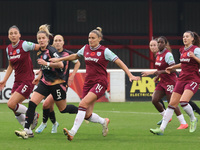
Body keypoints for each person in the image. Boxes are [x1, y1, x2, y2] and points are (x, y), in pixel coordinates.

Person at [50, 27, 141, 141]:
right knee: (87, 114)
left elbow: (119, 62)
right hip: (88, 83)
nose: (90, 40)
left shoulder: (105, 51)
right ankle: (104, 121)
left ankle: (72, 132)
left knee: (82, 104)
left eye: (93, 38)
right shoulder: (86, 48)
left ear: (99, 39)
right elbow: (75, 56)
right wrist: (59, 60)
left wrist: (130, 75)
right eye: (89, 38)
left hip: (100, 83)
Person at [14, 24, 78, 139]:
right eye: (39, 39)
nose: (41, 40)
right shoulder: (39, 51)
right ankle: (27, 130)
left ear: (48, 39)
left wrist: (47, 63)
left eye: (43, 38)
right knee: (32, 103)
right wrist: (39, 75)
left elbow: (60, 64)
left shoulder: (51, 50)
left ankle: (81, 112)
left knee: (63, 109)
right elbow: (44, 67)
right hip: (45, 82)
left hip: (57, 84)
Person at [150, 31, 200, 135]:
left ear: (192, 39)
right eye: (183, 36)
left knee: (183, 102)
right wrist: (172, 67)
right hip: (181, 79)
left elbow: (195, 61)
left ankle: (193, 119)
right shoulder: (182, 50)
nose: (184, 38)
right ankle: (161, 129)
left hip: (193, 79)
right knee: (171, 104)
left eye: (187, 37)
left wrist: (194, 57)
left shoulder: (196, 50)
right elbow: (183, 64)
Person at [35, 34, 80, 134]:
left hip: (61, 84)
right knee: (49, 106)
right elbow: (46, 65)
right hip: (48, 83)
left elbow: (77, 63)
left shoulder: (67, 54)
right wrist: (40, 74)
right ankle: (54, 124)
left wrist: (72, 76)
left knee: (47, 105)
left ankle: (81, 112)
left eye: (60, 40)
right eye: (56, 40)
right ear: (53, 42)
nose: (58, 42)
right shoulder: (50, 52)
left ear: (63, 42)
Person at [142, 37, 188, 129]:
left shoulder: (168, 55)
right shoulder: (158, 54)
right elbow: (160, 69)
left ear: (165, 44)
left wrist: (160, 73)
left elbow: (173, 69)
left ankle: (183, 123)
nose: (159, 44)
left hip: (170, 81)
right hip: (162, 81)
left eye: (161, 42)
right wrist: (157, 76)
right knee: (155, 100)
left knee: (172, 103)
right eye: (158, 42)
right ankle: (166, 116)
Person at [0, 25, 40, 130]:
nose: (13, 35)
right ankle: (28, 130)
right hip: (17, 81)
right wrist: (4, 80)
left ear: (19, 35)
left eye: (15, 33)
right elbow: (11, 66)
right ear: (8, 36)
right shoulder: (8, 49)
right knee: (14, 108)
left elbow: (40, 48)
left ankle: (33, 114)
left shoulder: (25, 44)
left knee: (11, 104)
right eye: (11, 33)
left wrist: (44, 65)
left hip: (27, 80)